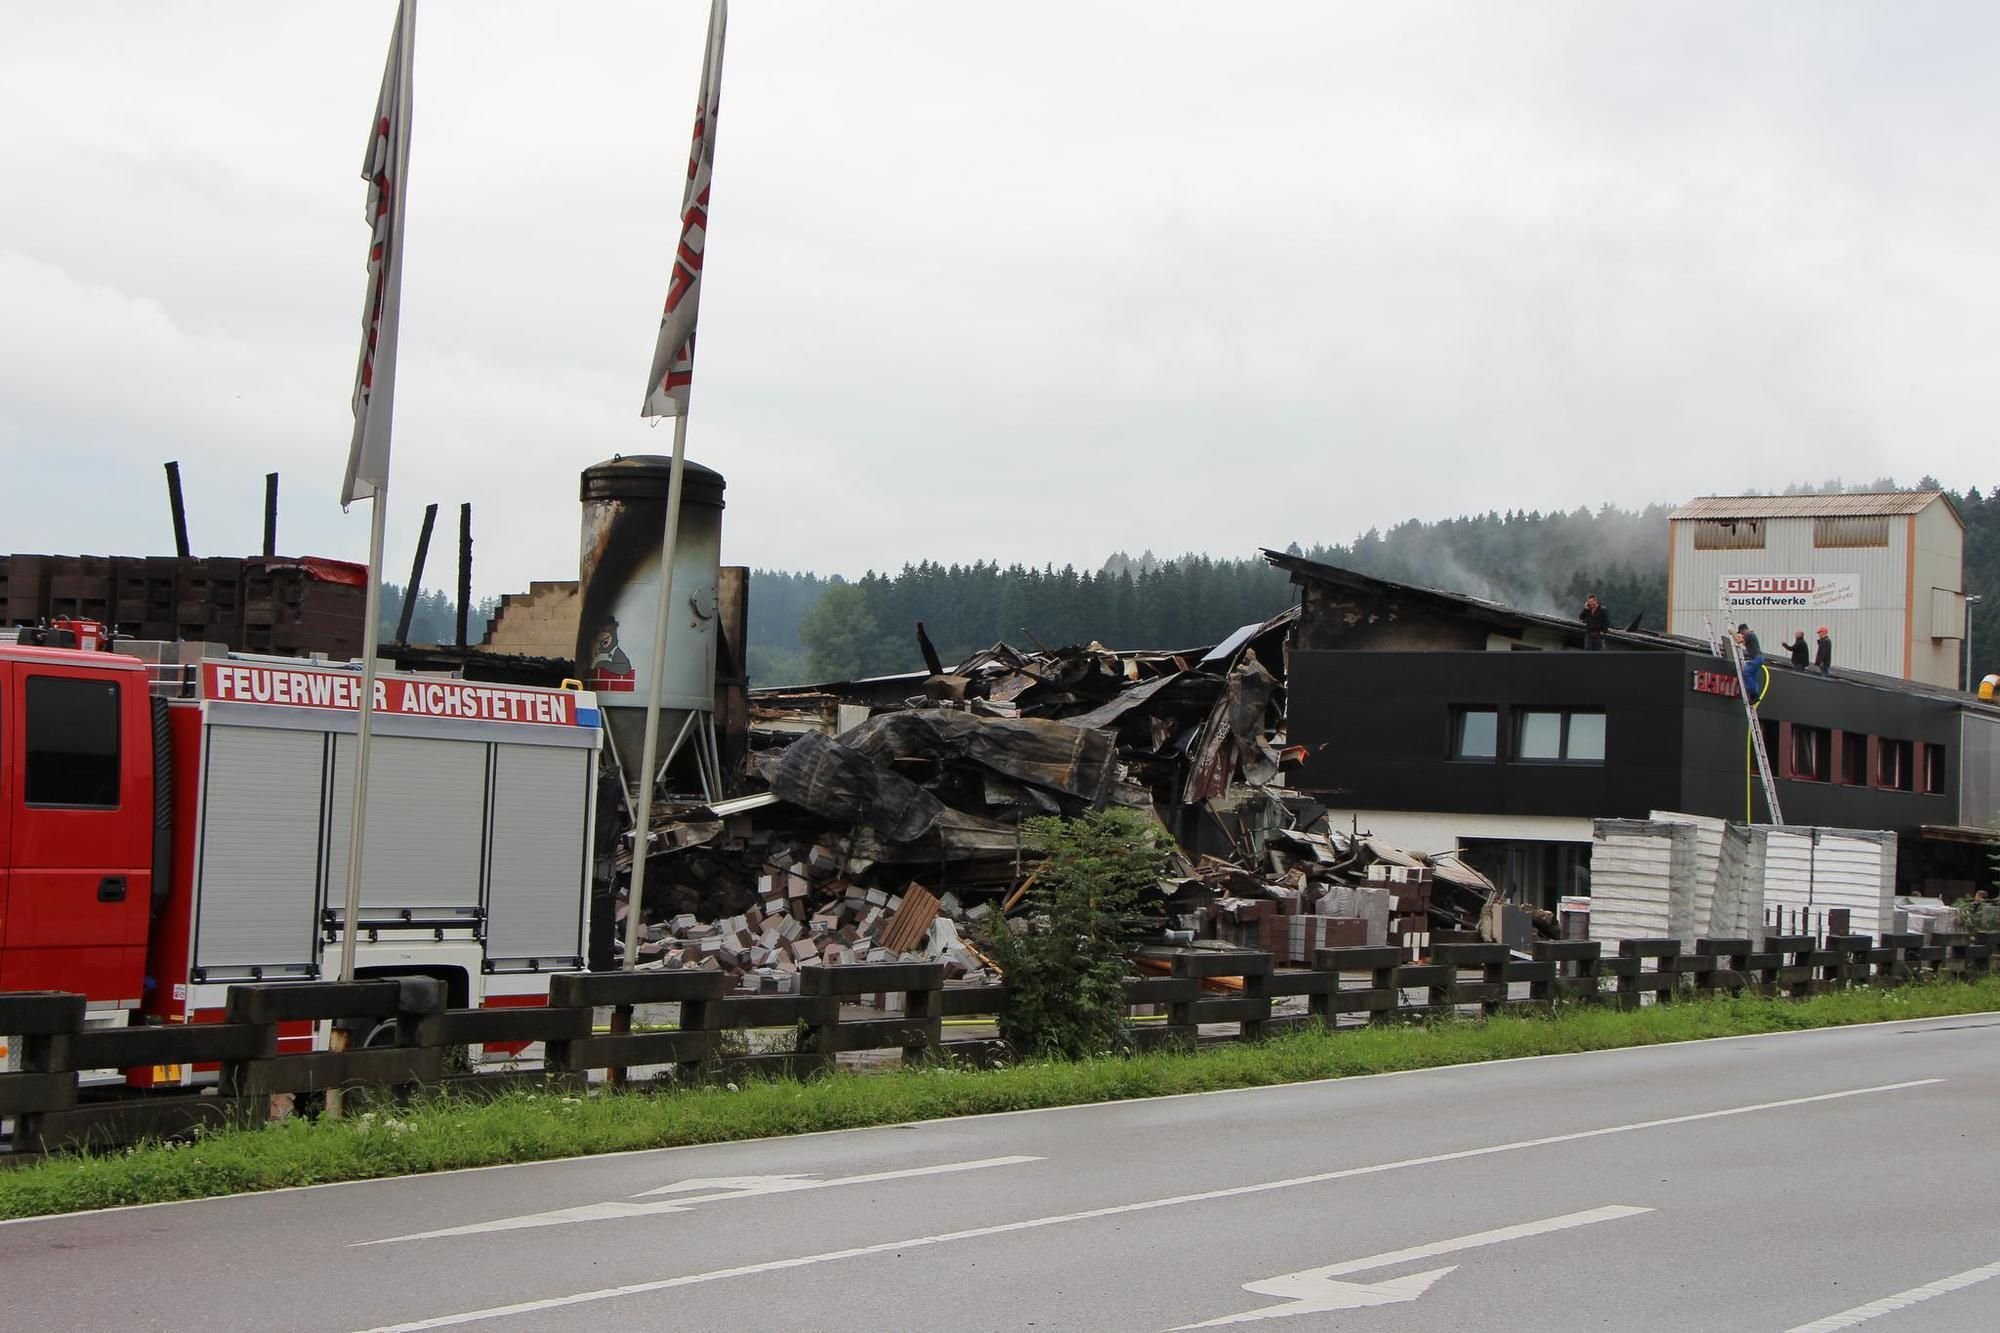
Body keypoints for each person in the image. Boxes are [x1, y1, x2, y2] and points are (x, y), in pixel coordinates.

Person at [1735, 623, 1767, 698]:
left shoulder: (1749, 634)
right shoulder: (1751, 636)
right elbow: (1744, 643)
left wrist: (1732, 633)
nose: (1742, 635)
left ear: (1743, 630)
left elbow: (1738, 641)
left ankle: (1753, 692)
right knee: (1753, 676)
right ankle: (1753, 695)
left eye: (1741, 633)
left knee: (1746, 672)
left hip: (1756, 658)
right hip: (1759, 658)